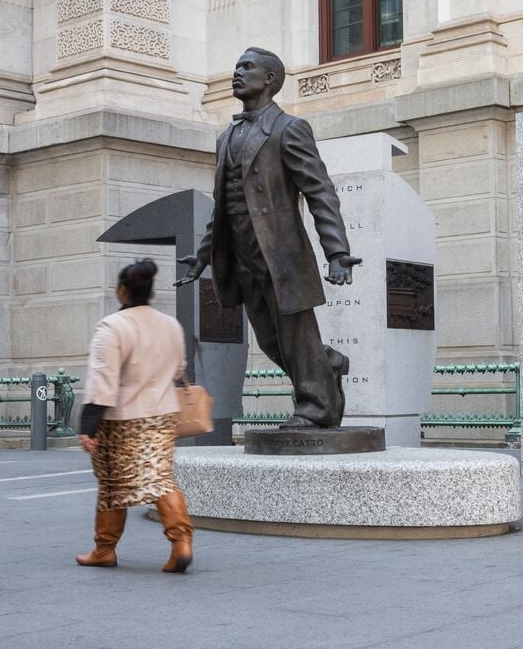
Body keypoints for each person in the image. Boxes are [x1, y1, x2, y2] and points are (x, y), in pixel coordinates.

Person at [176, 46, 360, 429]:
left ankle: (316, 406)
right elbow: (222, 205)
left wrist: (337, 252)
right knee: (271, 341)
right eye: (236, 66)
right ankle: (327, 364)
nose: (237, 73)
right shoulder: (227, 136)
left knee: (295, 333)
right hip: (241, 254)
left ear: (270, 80)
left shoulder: (289, 128)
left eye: (247, 67)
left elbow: (319, 190)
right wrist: (204, 255)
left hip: (280, 254)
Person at [76, 258, 195, 573]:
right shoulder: (171, 324)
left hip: (123, 418)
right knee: (158, 477)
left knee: (116, 482)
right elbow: (179, 370)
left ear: (121, 290)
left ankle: (106, 548)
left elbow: (103, 381)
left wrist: (88, 426)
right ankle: (177, 541)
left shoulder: (112, 327)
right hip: (163, 413)